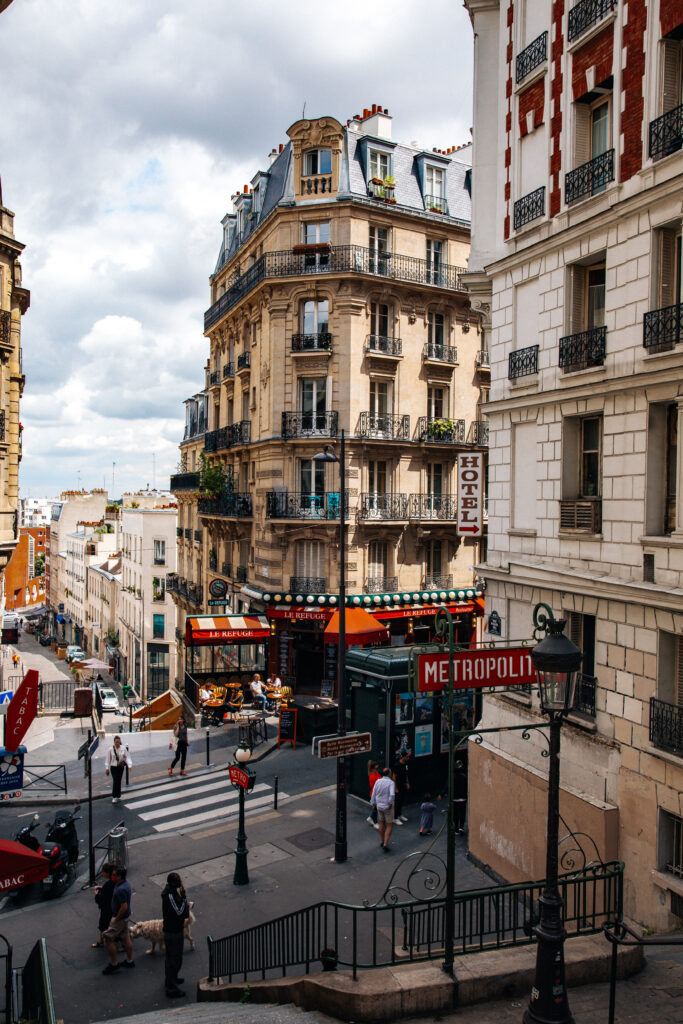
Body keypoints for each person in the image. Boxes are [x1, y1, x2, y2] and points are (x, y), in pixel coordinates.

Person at [102, 867, 135, 974]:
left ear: (119, 876)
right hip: (125, 917)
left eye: (115, 875)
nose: (113, 876)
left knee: (107, 938)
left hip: (119, 917)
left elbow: (124, 906)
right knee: (125, 937)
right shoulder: (124, 884)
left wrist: (116, 919)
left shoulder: (121, 890)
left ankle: (114, 964)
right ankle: (130, 960)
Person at [162, 872, 190, 998]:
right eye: (179, 880)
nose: (181, 882)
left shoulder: (171, 893)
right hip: (174, 931)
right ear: (173, 882)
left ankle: (171, 979)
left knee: (171, 958)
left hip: (172, 929)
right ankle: (171, 987)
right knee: (175, 958)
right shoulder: (170, 896)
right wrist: (184, 899)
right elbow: (179, 912)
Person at [370, 767, 395, 853]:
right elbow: (392, 795)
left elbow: (374, 792)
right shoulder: (391, 783)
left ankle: (381, 841)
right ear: (389, 774)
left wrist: (373, 803)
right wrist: (390, 804)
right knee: (389, 825)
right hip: (387, 806)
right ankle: (385, 844)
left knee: (381, 823)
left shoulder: (378, 781)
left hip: (379, 805)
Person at [93, 862, 116, 948]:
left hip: (107, 908)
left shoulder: (108, 884)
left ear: (107, 873)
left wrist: (96, 894)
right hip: (114, 907)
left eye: (103, 871)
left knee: (103, 925)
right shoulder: (114, 881)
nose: (102, 873)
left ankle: (101, 941)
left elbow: (101, 899)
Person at [105, 735, 132, 804]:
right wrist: (107, 768)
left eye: (118, 742)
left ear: (120, 742)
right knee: (115, 780)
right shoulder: (110, 749)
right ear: (114, 742)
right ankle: (114, 796)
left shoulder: (123, 748)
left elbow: (127, 757)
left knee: (119, 780)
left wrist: (129, 765)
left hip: (120, 767)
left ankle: (118, 796)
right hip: (113, 767)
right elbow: (108, 759)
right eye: (116, 742)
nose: (117, 744)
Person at [392, 748, 411, 825]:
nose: (408, 758)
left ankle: (400, 815)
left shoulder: (405, 764)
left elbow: (406, 774)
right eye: (407, 756)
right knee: (397, 802)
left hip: (403, 784)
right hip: (398, 786)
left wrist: (407, 783)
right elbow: (394, 777)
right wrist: (395, 788)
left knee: (402, 800)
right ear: (403, 757)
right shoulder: (397, 765)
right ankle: (395, 817)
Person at [366, 760, 381, 829]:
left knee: (376, 808)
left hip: (377, 793)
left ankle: (371, 818)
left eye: (378, 768)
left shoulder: (376, 773)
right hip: (374, 794)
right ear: (372, 769)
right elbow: (374, 785)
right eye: (376, 768)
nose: (377, 770)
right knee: (376, 808)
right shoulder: (372, 776)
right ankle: (375, 822)